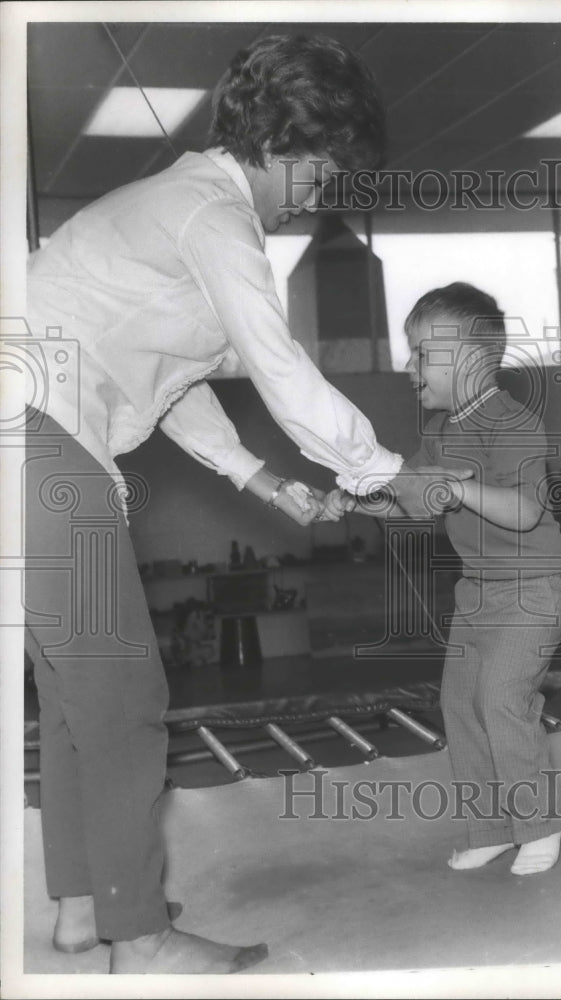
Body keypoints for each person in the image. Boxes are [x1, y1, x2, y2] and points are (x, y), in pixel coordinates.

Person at [24, 35, 465, 974]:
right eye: (324, 173)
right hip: (35, 438)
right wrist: (386, 475)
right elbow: (281, 368)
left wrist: (256, 479)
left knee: (75, 698)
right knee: (125, 698)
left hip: (37, 435)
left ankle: (81, 909)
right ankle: (139, 940)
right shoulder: (212, 216)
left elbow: (168, 374)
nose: (318, 196)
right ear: (290, 146)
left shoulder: (176, 213)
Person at [351, 282, 561, 875]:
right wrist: (371, 502)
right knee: (460, 703)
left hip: (533, 588)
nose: (409, 367)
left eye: (423, 353)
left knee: (501, 697)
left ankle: (541, 823)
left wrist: (457, 487)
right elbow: (417, 506)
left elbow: (525, 511)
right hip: (477, 593)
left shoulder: (514, 423)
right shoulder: (440, 433)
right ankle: (491, 825)